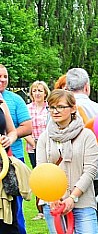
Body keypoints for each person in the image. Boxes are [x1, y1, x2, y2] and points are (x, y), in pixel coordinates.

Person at [38, 89, 98, 234]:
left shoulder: (86, 136)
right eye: (52, 107)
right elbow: (41, 172)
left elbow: (90, 170)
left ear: (72, 108)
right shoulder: (44, 138)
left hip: (82, 202)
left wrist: (73, 197)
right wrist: (52, 198)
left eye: (60, 107)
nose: (55, 111)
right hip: (53, 203)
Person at [66, 67, 98, 234]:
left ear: (68, 88)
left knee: (72, 218)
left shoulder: (60, 110)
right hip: (97, 170)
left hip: (70, 173)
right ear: (87, 87)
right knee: (97, 217)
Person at [0, 64, 33, 234]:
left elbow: (27, 127)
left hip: (10, 161)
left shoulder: (11, 100)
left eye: (5, 76)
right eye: (0, 76)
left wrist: (10, 138)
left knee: (13, 210)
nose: (3, 80)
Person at [25, 81, 50, 221]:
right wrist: (33, 142)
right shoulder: (28, 109)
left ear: (45, 92)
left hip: (48, 147)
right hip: (33, 147)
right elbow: (23, 126)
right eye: (34, 90)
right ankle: (40, 209)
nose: (37, 93)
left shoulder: (50, 108)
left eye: (40, 90)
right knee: (38, 176)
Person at [0, 86, 21, 234]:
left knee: (8, 221)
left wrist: (8, 139)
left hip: (3, 168)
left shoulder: (1, 101)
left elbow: (12, 131)